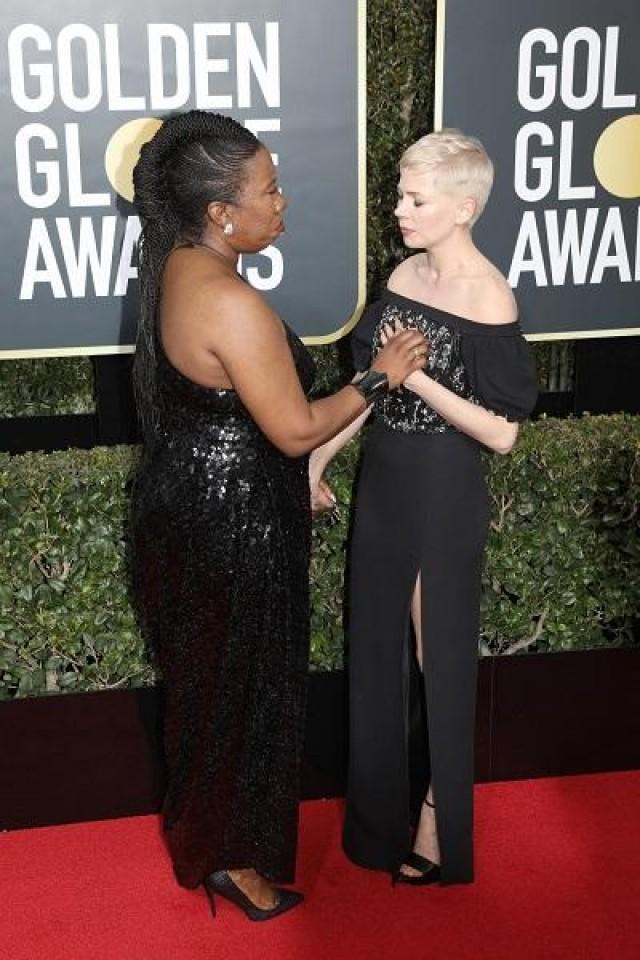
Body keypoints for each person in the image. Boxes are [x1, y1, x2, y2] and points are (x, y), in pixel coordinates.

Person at [128, 110, 427, 922]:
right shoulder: (227, 300)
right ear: (222, 212)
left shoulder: (178, 265)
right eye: (270, 189)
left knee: (210, 691)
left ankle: (209, 844)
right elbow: (295, 428)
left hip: (190, 507)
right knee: (246, 694)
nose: (283, 201)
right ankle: (232, 862)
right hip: (232, 527)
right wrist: (381, 376)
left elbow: (223, 419)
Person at [309, 129, 538, 886]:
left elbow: (502, 432)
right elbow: (373, 389)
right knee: (374, 651)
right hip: (385, 476)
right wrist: (317, 456)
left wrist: (419, 379)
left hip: (443, 486)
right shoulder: (404, 272)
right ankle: (376, 826)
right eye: (399, 193)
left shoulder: (489, 294)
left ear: (463, 207)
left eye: (415, 198)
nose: (399, 209)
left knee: (432, 656)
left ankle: (441, 822)